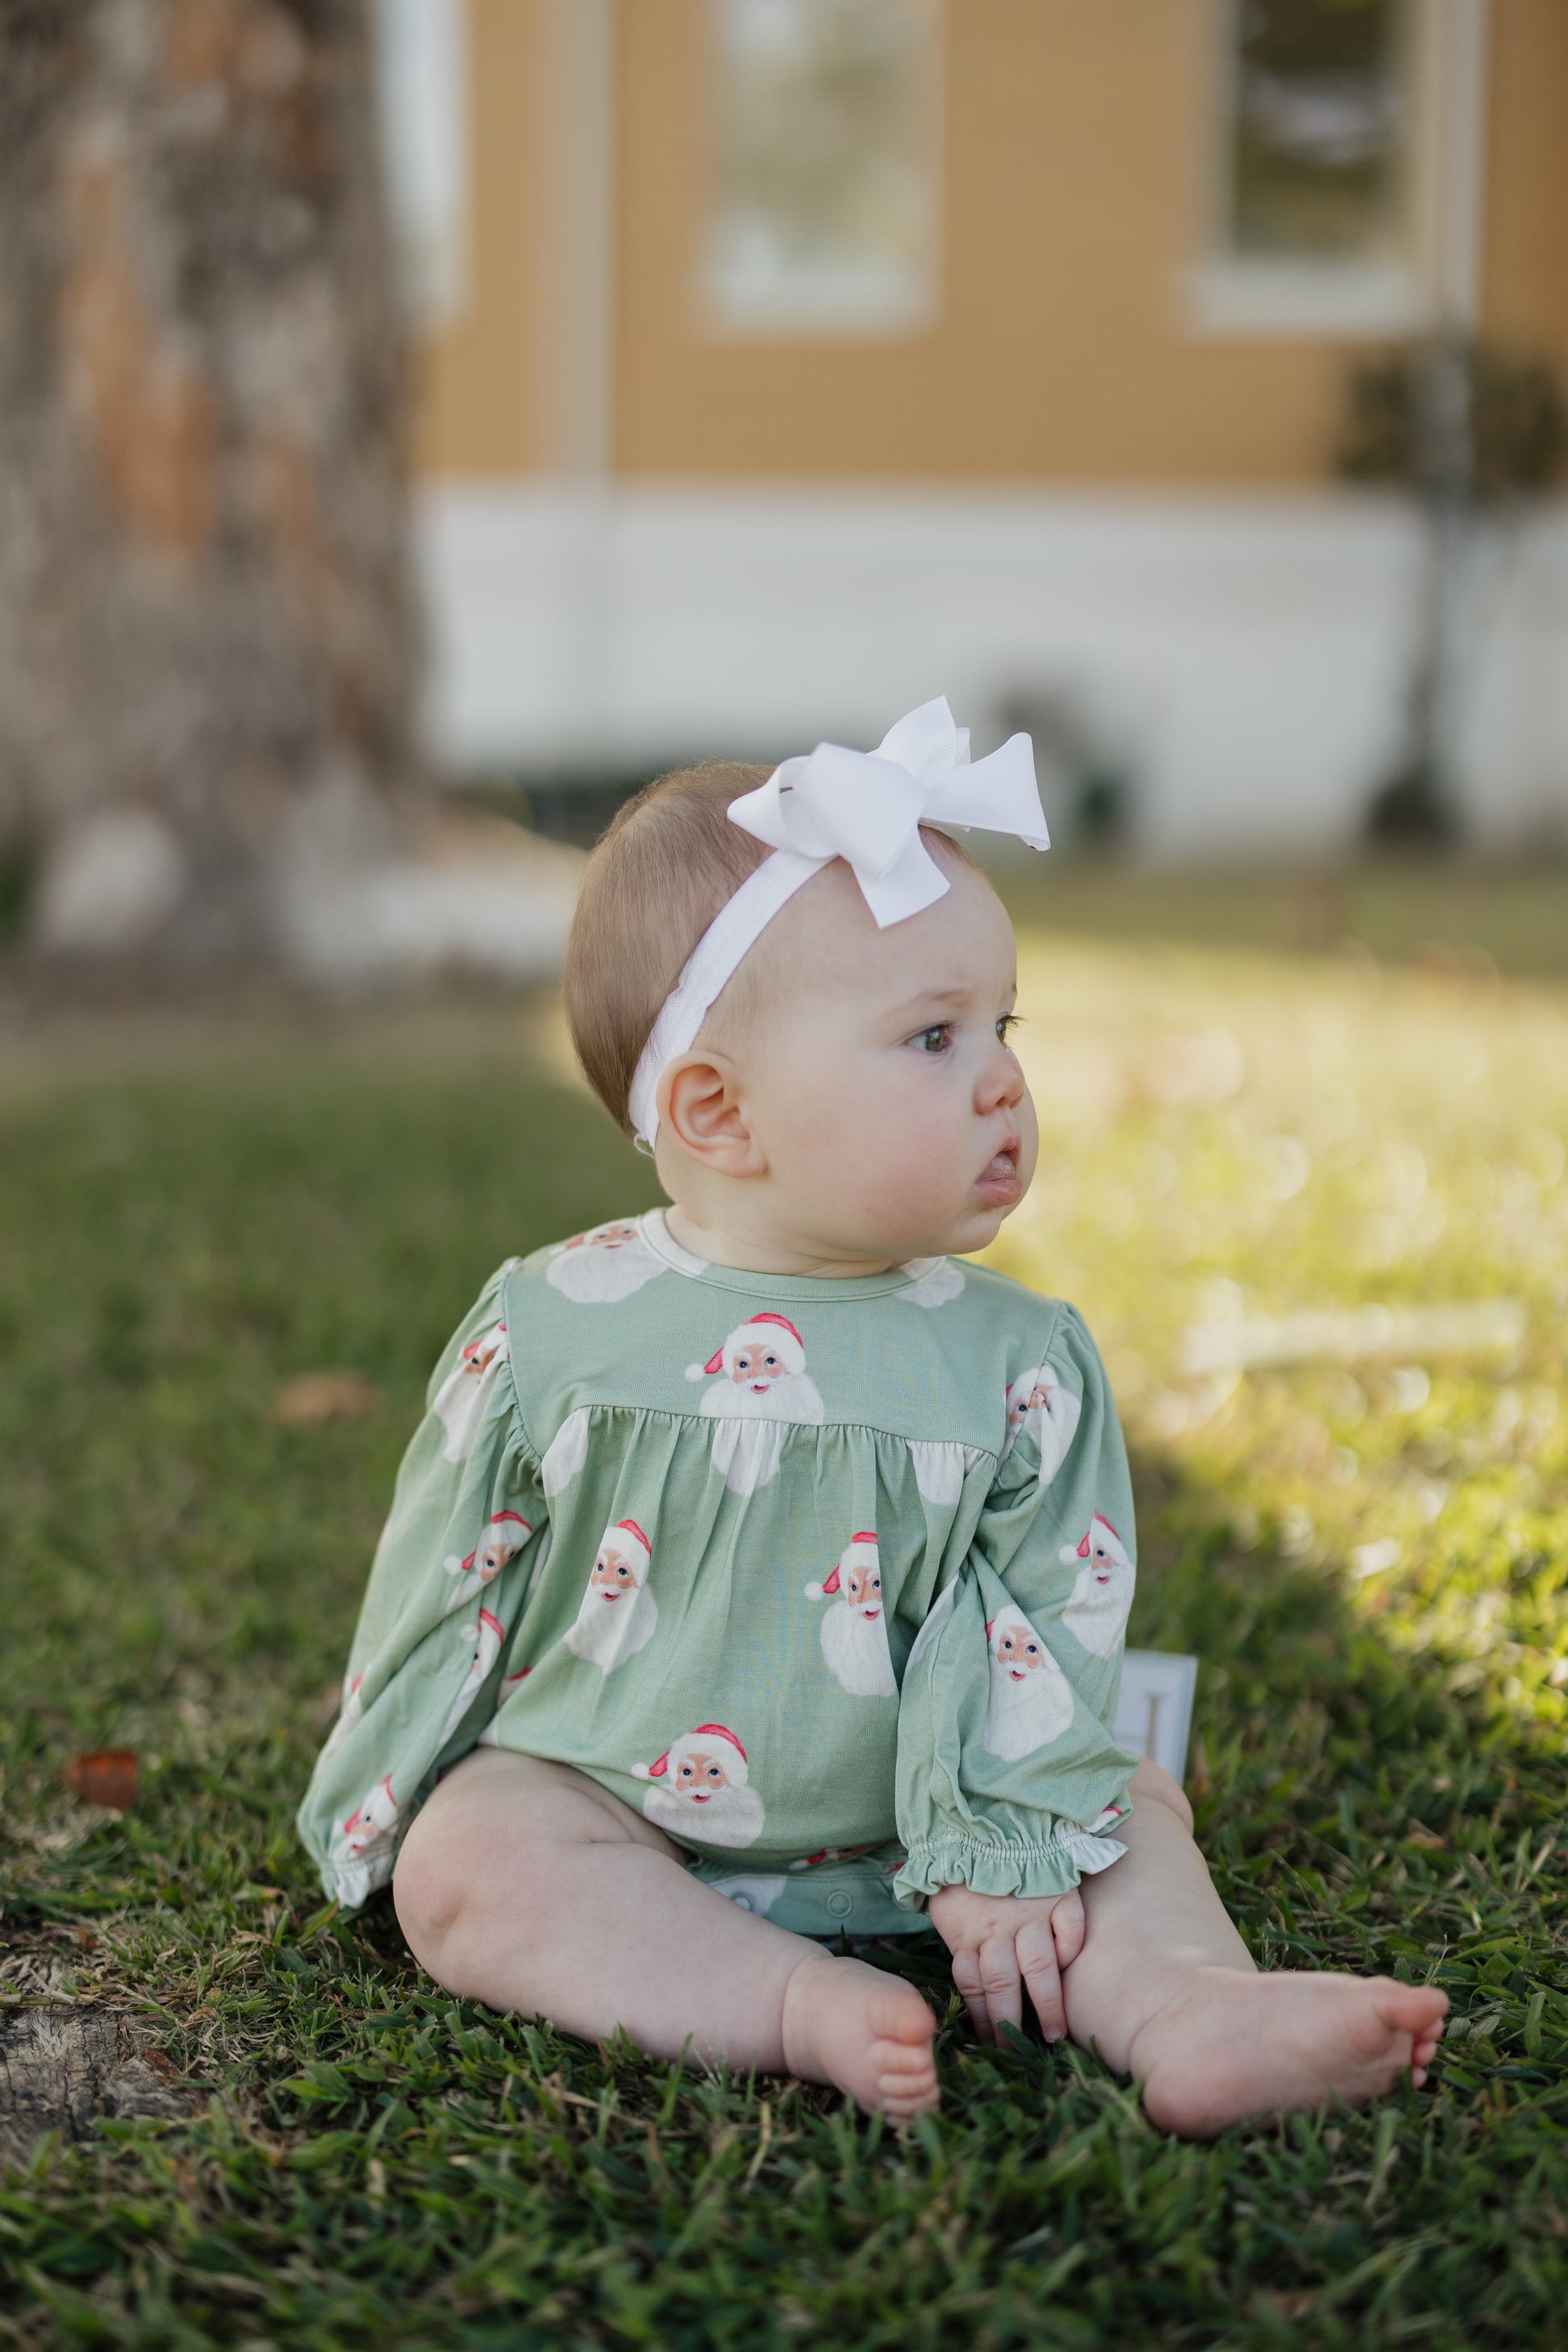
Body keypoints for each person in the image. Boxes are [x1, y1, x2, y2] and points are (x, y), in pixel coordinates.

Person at [297, 700, 1446, 2131]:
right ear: (719, 1115)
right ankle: (780, 1999)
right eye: (930, 1037)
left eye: (1000, 1024)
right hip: (617, 1804)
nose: (1004, 1080)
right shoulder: (553, 1326)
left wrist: (996, 1834)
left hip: (939, 1820)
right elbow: (452, 1570)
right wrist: (391, 1775)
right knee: (467, 1860)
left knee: (1127, 1813)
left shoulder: (1016, 1359)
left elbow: (1046, 1622)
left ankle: (1186, 2009)